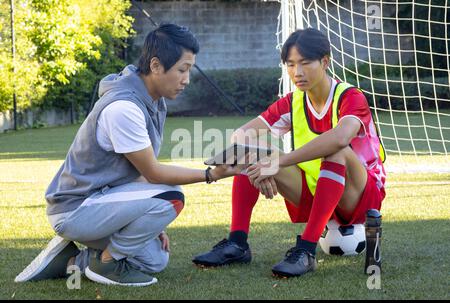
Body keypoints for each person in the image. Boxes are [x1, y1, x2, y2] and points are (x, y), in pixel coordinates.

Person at [15, 23, 241, 287]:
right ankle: (106, 264)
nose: (186, 79)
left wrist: (151, 221)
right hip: (76, 209)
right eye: (182, 69)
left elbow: (137, 173)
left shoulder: (153, 101)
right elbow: (153, 173)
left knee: (155, 260)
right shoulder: (124, 107)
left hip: (103, 202)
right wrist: (211, 174)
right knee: (173, 194)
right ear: (156, 66)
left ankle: (70, 261)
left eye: (188, 70)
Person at [192, 28, 386, 278]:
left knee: (337, 151)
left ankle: (306, 250)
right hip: (316, 191)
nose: (298, 72)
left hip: (360, 196)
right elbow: (241, 135)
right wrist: (261, 169)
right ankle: (237, 243)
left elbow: (340, 138)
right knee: (249, 152)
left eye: (305, 63)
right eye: (291, 64)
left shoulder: (350, 97)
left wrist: (278, 162)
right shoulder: (293, 101)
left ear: (324, 62)